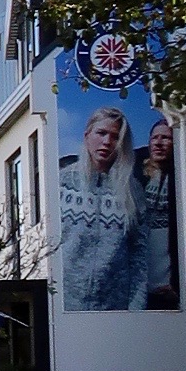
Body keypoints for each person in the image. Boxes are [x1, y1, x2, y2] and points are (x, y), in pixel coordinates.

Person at [60, 106, 143, 311]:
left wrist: (136, 308)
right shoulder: (61, 183)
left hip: (115, 310)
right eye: (101, 133)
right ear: (87, 136)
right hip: (66, 308)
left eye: (115, 137)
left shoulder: (133, 192)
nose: (107, 142)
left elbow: (139, 256)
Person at [136, 114, 180, 309]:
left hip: (168, 280)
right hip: (141, 279)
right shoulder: (136, 176)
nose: (159, 143)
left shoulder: (180, 176)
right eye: (155, 138)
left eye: (166, 138)